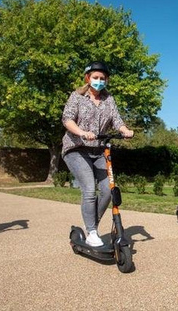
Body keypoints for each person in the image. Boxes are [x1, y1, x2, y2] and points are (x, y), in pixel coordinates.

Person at [61, 61, 133, 247]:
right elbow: (67, 119)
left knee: (109, 191)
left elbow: (117, 120)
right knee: (89, 190)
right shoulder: (77, 97)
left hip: (99, 150)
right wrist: (82, 132)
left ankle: (91, 225)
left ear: (106, 80)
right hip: (76, 149)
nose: (99, 81)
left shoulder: (109, 99)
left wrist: (125, 130)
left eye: (102, 78)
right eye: (95, 78)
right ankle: (92, 232)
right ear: (88, 78)